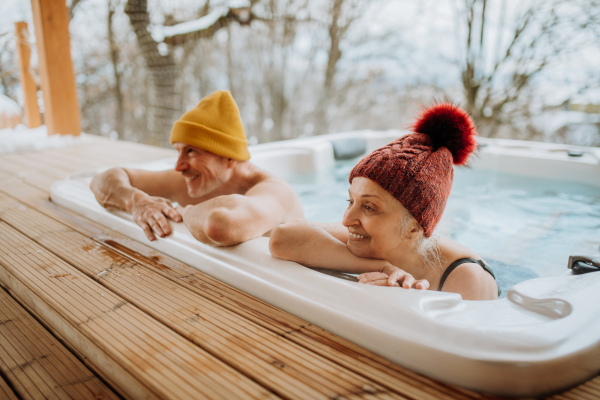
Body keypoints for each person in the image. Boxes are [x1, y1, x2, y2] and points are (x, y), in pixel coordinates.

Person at [269, 103, 498, 300]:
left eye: (369, 207)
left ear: (414, 228)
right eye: (351, 201)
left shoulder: (466, 280)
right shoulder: (371, 238)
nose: (347, 220)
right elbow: (283, 238)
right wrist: (382, 267)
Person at [91, 90, 303, 246]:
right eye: (178, 151)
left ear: (228, 157)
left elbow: (220, 226)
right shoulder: (195, 180)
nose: (179, 166)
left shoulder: (276, 192)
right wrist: (135, 200)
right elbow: (102, 180)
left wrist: (186, 212)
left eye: (191, 151)